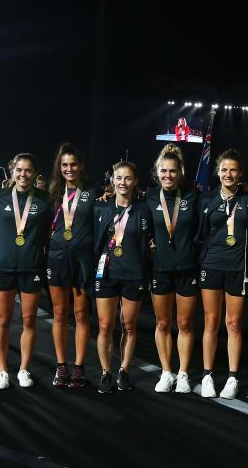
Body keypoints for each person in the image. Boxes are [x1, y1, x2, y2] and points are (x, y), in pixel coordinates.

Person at [198, 149, 248, 399]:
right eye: (224, 169)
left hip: (238, 267)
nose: (228, 174)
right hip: (211, 265)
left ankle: (232, 377)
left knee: (233, 324)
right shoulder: (207, 199)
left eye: (233, 170)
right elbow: (200, 235)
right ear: (218, 172)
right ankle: (207, 375)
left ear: (240, 173)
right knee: (211, 322)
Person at [0, 153, 51, 389]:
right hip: (4, 265)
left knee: (28, 319)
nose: (23, 174)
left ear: (35, 174)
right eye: (19, 170)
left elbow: (47, 233)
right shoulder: (0, 197)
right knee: (3, 319)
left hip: (31, 266)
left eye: (28, 170)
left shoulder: (45, 200)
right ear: (12, 171)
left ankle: (24, 369)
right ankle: (2, 370)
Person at [92, 161, 153, 393]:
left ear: (135, 181)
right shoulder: (100, 208)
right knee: (105, 325)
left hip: (133, 274)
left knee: (128, 325)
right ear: (112, 180)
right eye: (119, 178)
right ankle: (106, 372)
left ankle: (124, 370)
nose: (123, 183)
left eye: (128, 178)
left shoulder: (144, 210)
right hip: (106, 274)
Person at [145, 144, 201, 394]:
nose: (168, 175)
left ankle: (183, 374)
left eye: (172, 171)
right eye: (163, 171)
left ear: (180, 172)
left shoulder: (192, 196)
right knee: (163, 323)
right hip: (160, 269)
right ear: (157, 172)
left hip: (187, 268)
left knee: (185, 324)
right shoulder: (148, 197)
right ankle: (166, 372)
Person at [47, 142, 98, 388]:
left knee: (80, 314)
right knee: (59, 313)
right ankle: (61, 366)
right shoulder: (52, 193)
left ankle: (78, 367)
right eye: (64, 164)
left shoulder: (93, 192)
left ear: (81, 166)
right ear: (60, 166)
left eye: (73, 164)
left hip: (82, 259)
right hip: (56, 258)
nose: (69, 169)